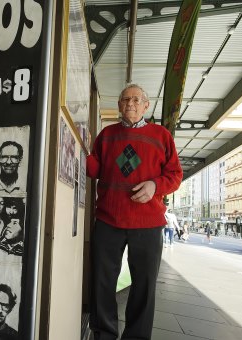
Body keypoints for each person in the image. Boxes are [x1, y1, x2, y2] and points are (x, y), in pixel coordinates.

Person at [86, 83, 183, 340]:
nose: (130, 103)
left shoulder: (162, 136)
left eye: (136, 99)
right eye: (125, 99)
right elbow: (93, 169)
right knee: (102, 283)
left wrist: (155, 185)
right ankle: (104, 335)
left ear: (146, 105)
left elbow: (175, 175)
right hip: (108, 219)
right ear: (119, 105)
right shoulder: (106, 136)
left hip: (148, 222)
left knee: (144, 286)